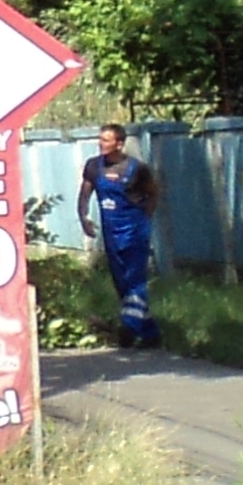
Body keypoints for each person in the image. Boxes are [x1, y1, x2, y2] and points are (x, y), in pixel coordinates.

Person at [81, 124, 162, 348]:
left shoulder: (136, 169)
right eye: (100, 139)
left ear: (119, 143)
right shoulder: (94, 166)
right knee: (121, 282)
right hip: (110, 232)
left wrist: (145, 217)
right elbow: (85, 194)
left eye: (106, 140)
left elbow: (153, 193)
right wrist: (84, 218)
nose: (101, 143)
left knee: (135, 279)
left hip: (135, 230)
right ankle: (150, 334)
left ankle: (128, 327)